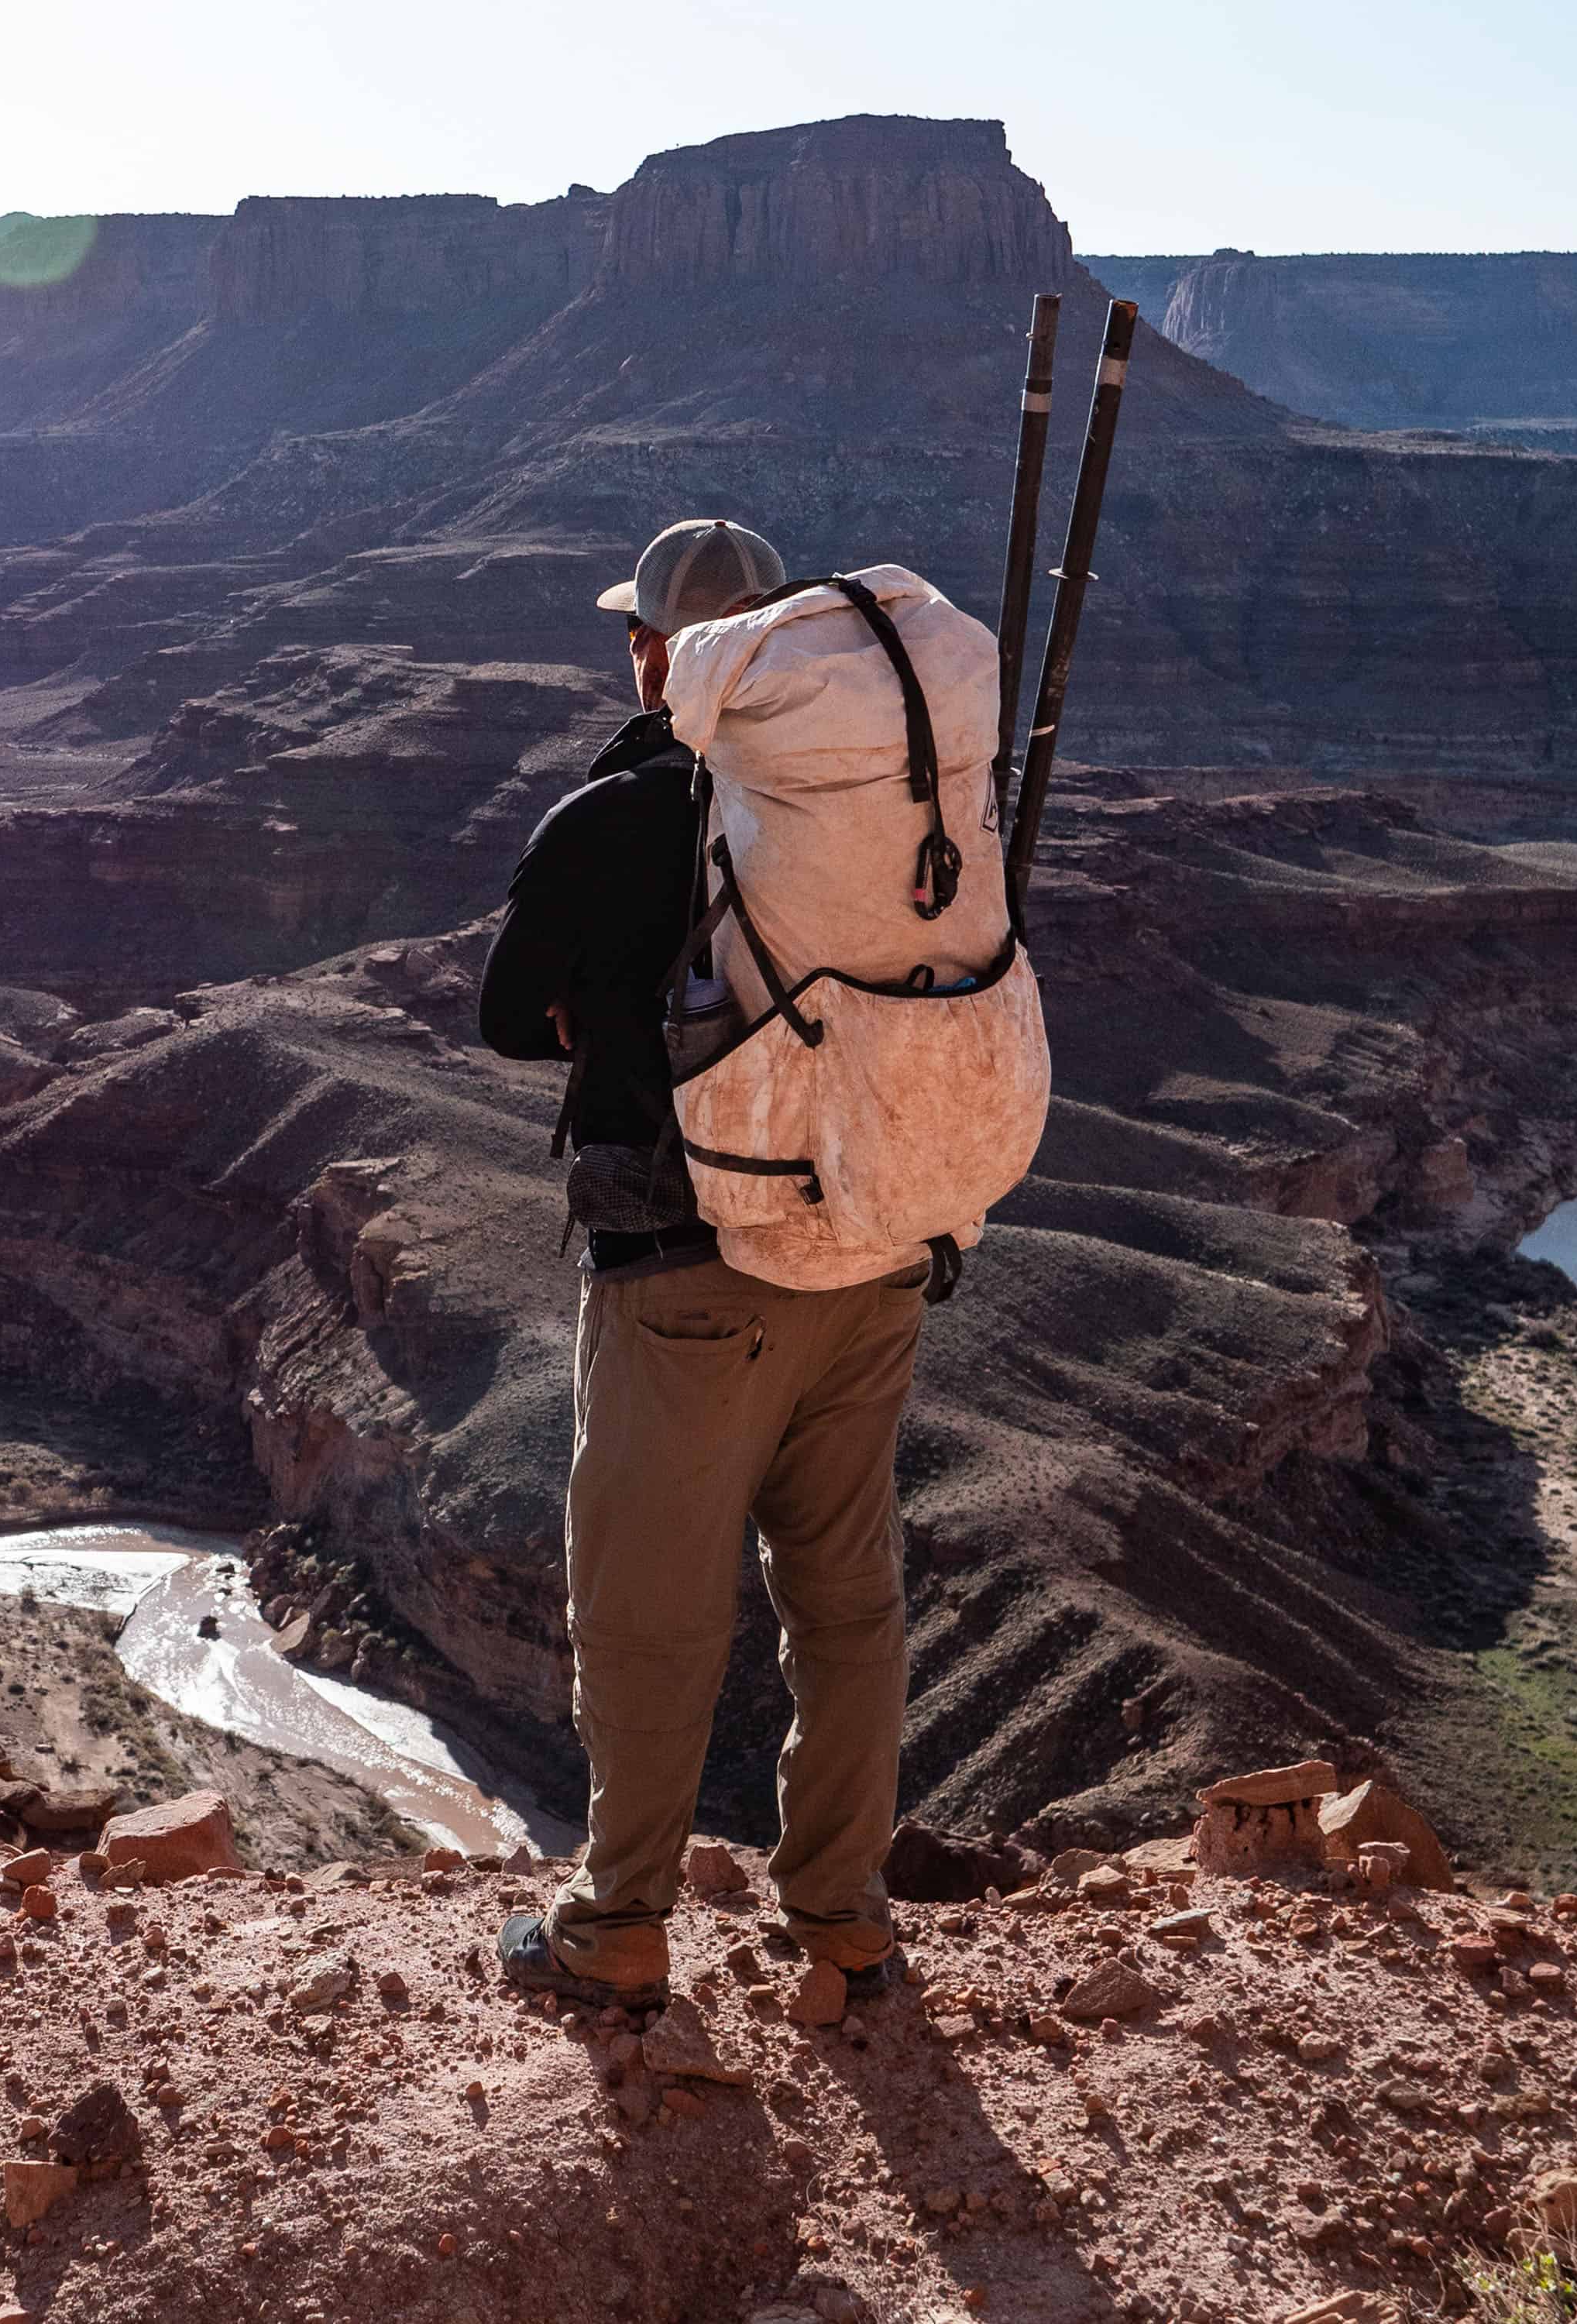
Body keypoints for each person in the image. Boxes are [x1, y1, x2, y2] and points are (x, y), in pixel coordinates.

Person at [477, 517, 928, 2007]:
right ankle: (845, 1920)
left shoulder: (621, 816)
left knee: (649, 1611)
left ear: (653, 651)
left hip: (691, 1275)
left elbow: (500, 1011)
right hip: (869, 1257)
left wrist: (598, 1012)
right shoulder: (882, 802)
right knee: (845, 1600)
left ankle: (618, 1930)